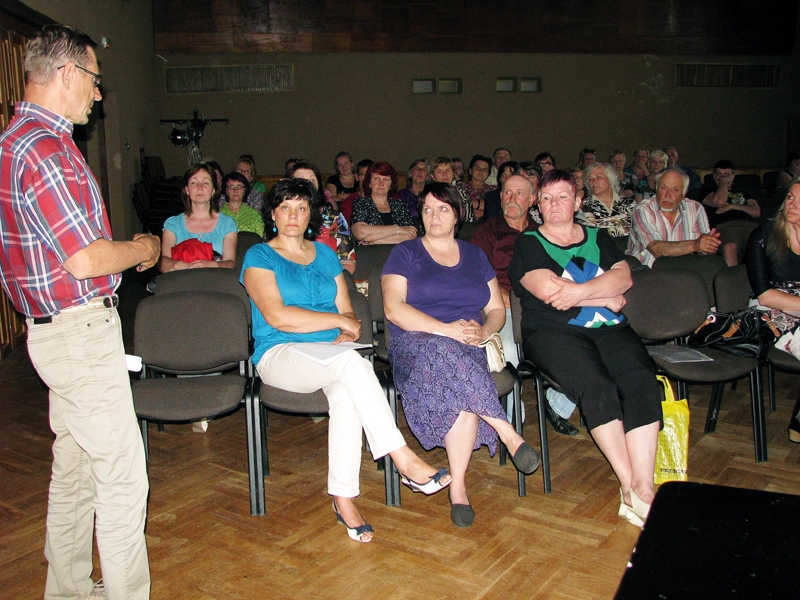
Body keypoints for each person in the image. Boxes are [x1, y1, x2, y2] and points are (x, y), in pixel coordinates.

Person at [0, 24, 160, 599]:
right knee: (122, 479)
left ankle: (68, 591)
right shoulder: (45, 150)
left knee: (73, 473)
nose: (98, 93)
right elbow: (86, 258)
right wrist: (145, 248)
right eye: (94, 80)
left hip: (53, 336)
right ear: (67, 74)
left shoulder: (16, 141)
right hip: (79, 334)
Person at [242, 178, 451, 543]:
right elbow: (278, 316)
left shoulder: (325, 255)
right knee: (353, 366)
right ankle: (402, 458)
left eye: (302, 207)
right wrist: (340, 323)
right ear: (273, 214)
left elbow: (348, 314)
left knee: (344, 392)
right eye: (285, 207)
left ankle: (343, 497)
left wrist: (345, 331)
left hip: (330, 353)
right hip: (279, 353)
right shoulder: (259, 256)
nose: (294, 215)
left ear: (311, 216)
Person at [509, 169, 662, 528]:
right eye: (545, 199)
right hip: (552, 334)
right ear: (537, 206)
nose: (554, 205)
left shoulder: (598, 235)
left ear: (578, 202)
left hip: (608, 330)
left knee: (641, 378)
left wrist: (579, 291)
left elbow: (624, 276)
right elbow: (549, 293)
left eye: (562, 197)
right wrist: (606, 296)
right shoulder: (529, 243)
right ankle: (629, 488)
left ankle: (644, 484)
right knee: (597, 387)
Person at [383, 182, 540, 528]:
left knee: (461, 381)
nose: (433, 215)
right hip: (414, 346)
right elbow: (394, 310)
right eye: (426, 209)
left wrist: (485, 331)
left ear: (457, 214)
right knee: (446, 350)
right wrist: (447, 329)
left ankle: (459, 490)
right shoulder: (405, 253)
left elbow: (496, 309)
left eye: (442, 208)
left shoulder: (474, 255)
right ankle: (507, 431)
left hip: (468, 346)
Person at [472, 175, 577, 436]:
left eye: (519, 193)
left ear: (532, 200)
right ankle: (509, 419)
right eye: (507, 192)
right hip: (502, 305)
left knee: (580, 345)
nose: (511, 198)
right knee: (508, 350)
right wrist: (502, 300)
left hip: (542, 305)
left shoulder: (545, 233)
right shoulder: (486, 232)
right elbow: (475, 276)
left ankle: (557, 404)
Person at [745, 179, 800, 442]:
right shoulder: (763, 235)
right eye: (790, 197)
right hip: (770, 309)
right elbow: (764, 294)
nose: (793, 204)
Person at [628, 167, 721, 267]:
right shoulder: (643, 210)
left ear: (684, 193)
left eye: (675, 190)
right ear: (656, 188)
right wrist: (695, 245)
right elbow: (656, 249)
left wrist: (709, 245)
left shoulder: (695, 208)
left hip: (685, 271)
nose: (667, 195)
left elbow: (703, 248)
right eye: (663, 188)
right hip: (650, 272)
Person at [159, 163, 238, 272]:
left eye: (205, 183)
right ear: (187, 189)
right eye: (194, 183)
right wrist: (185, 266)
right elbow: (163, 262)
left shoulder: (227, 223)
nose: (200, 187)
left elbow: (230, 263)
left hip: (214, 283)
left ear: (213, 190)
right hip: (180, 282)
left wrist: (207, 265)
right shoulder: (173, 223)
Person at [288, 160, 356, 274]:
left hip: (329, 280)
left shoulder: (335, 218)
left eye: (312, 180)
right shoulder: (283, 218)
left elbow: (348, 263)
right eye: (301, 179)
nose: (307, 184)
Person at [701, 160, 760, 266]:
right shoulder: (707, 191)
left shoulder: (744, 193)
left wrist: (731, 206)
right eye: (719, 174)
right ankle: (732, 281)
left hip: (749, 225)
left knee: (765, 246)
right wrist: (723, 181)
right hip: (726, 226)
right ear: (714, 176)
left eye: (727, 175)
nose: (722, 177)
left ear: (733, 176)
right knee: (729, 248)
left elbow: (756, 211)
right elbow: (719, 202)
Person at [350, 162, 417, 244]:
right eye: (376, 179)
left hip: (399, 254)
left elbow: (410, 236)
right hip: (371, 255)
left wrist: (374, 240)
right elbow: (360, 232)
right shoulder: (361, 203)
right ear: (369, 183)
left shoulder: (401, 205)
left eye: (385, 179)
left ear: (391, 185)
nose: (381, 183)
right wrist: (398, 229)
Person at [580, 162, 636, 238]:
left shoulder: (629, 203)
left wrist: (606, 228)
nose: (594, 181)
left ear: (610, 179)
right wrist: (624, 229)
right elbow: (592, 233)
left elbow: (638, 230)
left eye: (599, 177)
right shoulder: (584, 206)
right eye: (590, 179)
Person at [219, 171, 265, 237]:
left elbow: (260, 240)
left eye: (239, 187)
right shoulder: (218, 215)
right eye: (231, 187)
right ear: (226, 191)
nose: (235, 190)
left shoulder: (255, 215)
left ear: (245, 190)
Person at [455, 154, 496, 223]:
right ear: (470, 171)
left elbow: (497, 211)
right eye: (478, 168)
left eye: (485, 169)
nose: (481, 171)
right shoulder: (459, 188)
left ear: (488, 174)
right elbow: (458, 210)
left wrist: (469, 205)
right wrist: (485, 209)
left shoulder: (493, 190)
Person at [339, 158, 373, 225]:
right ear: (357, 177)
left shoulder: (390, 199)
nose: (366, 179)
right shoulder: (348, 203)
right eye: (362, 175)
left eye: (370, 176)